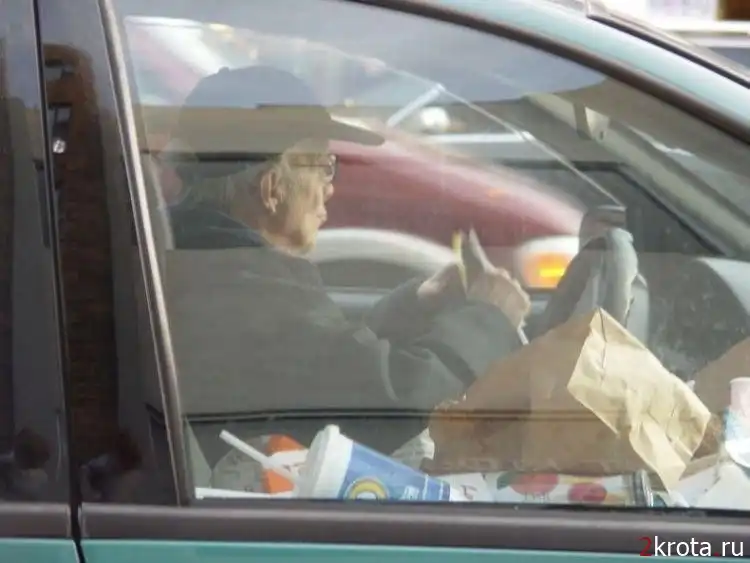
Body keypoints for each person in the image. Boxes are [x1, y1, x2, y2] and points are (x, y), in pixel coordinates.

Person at [164, 65, 530, 452]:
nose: (331, 188)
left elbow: (324, 368)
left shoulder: (206, 263)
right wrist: (489, 319)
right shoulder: (245, 290)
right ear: (272, 189)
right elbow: (392, 405)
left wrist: (414, 306)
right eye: (324, 167)